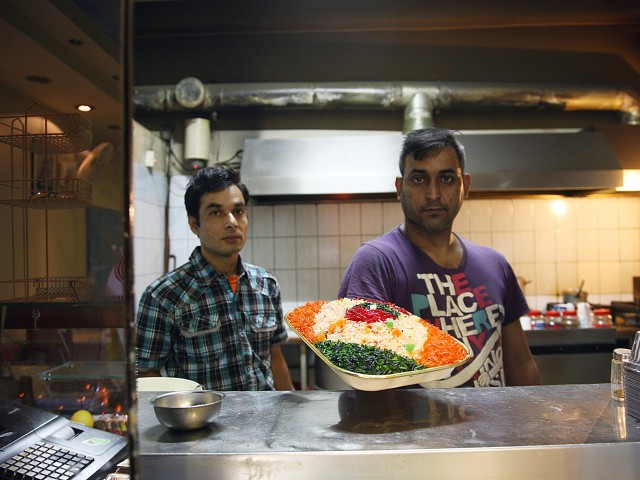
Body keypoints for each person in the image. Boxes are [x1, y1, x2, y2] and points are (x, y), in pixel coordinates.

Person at [338, 127, 540, 388]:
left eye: (446, 179)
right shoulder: (377, 263)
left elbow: (520, 364)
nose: (433, 194)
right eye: (419, 179)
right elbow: (362, 371)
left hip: (493, 428)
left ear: (464, 186)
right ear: (400, 187)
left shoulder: (495, 265)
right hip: (414, 429)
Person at [135, 166, 293, 391]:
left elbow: (275, 357)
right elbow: (147, 373)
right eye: (215, 212)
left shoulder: (266, 284)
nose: (231, 222)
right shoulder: (163, 295)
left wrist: (287, 413)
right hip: (200, 422)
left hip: (266, 422)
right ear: (194, 224)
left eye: (238, 211)